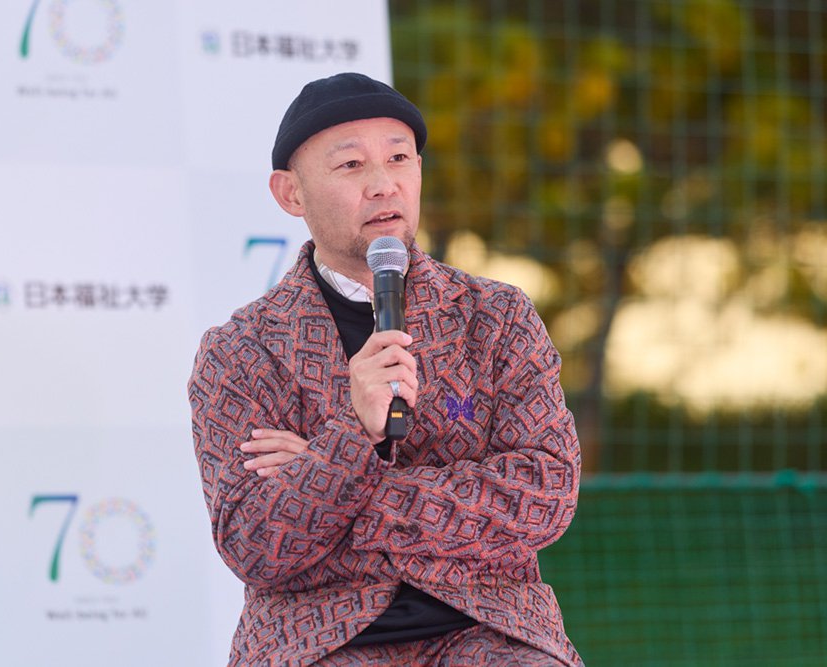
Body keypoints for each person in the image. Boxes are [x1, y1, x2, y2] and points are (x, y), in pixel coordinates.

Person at [188, 72, 582, 666]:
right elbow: (255, 543)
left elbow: (544, 493)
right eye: (351, 165)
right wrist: (353, 432)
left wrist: (325, 472)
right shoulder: (241, 350)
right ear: (291, 194)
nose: (383, 185)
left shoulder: (495, 317)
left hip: (489, 627)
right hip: (318, 640)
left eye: (399, 159)